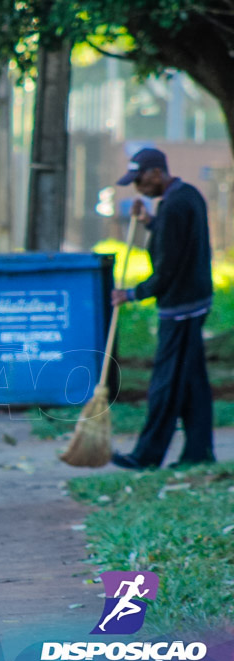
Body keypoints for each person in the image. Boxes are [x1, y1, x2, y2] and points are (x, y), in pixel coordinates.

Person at [110, 147, 215, 470]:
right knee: (192, 384)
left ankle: (146, 456)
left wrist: (131, 293)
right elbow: (178, 240)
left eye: (139, 180)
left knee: (165, 386)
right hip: (196, 302)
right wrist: (150, 223)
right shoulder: (188, 196)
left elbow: (167, 270)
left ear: (156, 173)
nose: (137, 187)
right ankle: (199, 453)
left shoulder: (174, 207)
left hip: (180, 309)